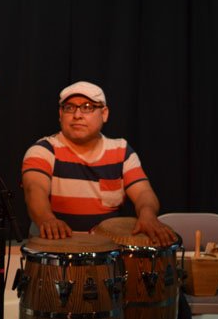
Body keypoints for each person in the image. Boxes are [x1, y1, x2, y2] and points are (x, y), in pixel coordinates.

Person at [21, 80, 176, 246]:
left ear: (104, 114)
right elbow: (34, 190)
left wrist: (148, 214)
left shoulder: (121, 151)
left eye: (87, 107)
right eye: (69, 107)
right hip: (58, 252)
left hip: (107, 256)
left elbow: (143, 193)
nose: (77, 115)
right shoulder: (43, 150)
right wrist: (47, 219)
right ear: (60, 114)